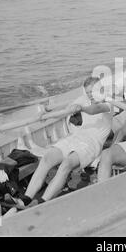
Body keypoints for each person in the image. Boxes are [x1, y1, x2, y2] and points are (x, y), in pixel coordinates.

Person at [9, 77, 113, 207]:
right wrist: (44, 117)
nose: (90, 95)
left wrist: (81, 108)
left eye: (93, 92)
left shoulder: (109, 103)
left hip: (91, 143)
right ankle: (25, 199)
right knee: (46, 159)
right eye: (88, 93)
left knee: (66, 164)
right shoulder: (84, 100)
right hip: (75, 137)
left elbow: (95, 109)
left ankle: (42, 201)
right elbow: (65, 111)